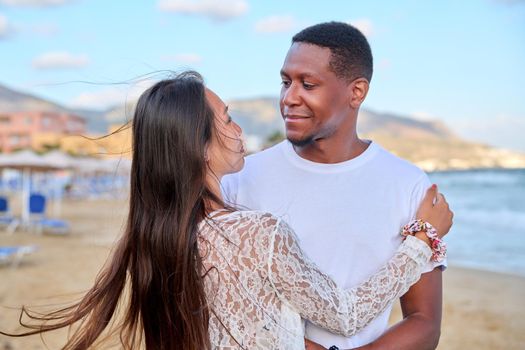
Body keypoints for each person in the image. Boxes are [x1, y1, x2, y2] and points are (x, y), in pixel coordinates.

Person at [1, 72, 453, 350]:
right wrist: (422, 241)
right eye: (229, 118)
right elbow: (345, 315)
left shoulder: (165, 232)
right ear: (198, 147)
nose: (240, 131)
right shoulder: (259, 233)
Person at [222, 22, 449, 350]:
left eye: (308, 84)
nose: (289, 98)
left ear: (356, 92)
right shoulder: (241, 180)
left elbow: (425, 321)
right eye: (285, 82)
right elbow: (229, 308)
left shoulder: (408, 185)